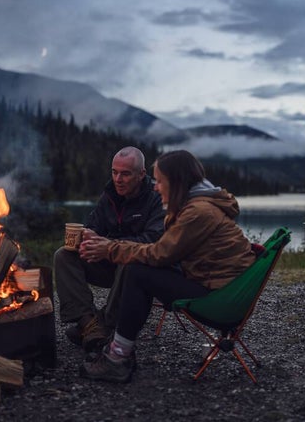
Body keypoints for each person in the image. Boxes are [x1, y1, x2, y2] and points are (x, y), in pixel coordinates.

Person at [77, 149, 256, 382]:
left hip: (220, 300)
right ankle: (113, 342)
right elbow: (166, 252)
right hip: (221, 289)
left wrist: (109, 248)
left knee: (137, 272)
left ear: (176, 182)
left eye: (160, 181)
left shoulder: (198, 213)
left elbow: (160, 253)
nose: (155, 187)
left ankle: (117, 357)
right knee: (141, 268)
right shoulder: (197, 205)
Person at [54, 146, 165, 351]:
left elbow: (154, 241)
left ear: (141, 175)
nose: (118, 179)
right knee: (64, 255)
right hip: (107, 262)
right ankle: (88, 322)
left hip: (139, 267)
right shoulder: (110, 195)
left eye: (125, 174)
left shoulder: (155, 198)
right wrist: (87, 236)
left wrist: (110, 246)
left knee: (130, 261)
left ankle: (105, 323)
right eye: (114, 172)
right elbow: (94, 226)